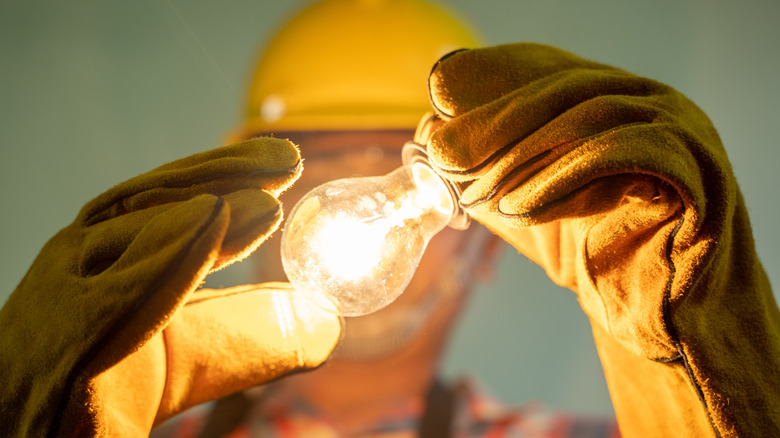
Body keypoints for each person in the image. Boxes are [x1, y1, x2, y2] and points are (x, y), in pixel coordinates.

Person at [1, 1, 777, 437]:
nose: (366, 209)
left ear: (489, 242)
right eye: (320, 167)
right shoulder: (113, 426)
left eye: (386, 158)